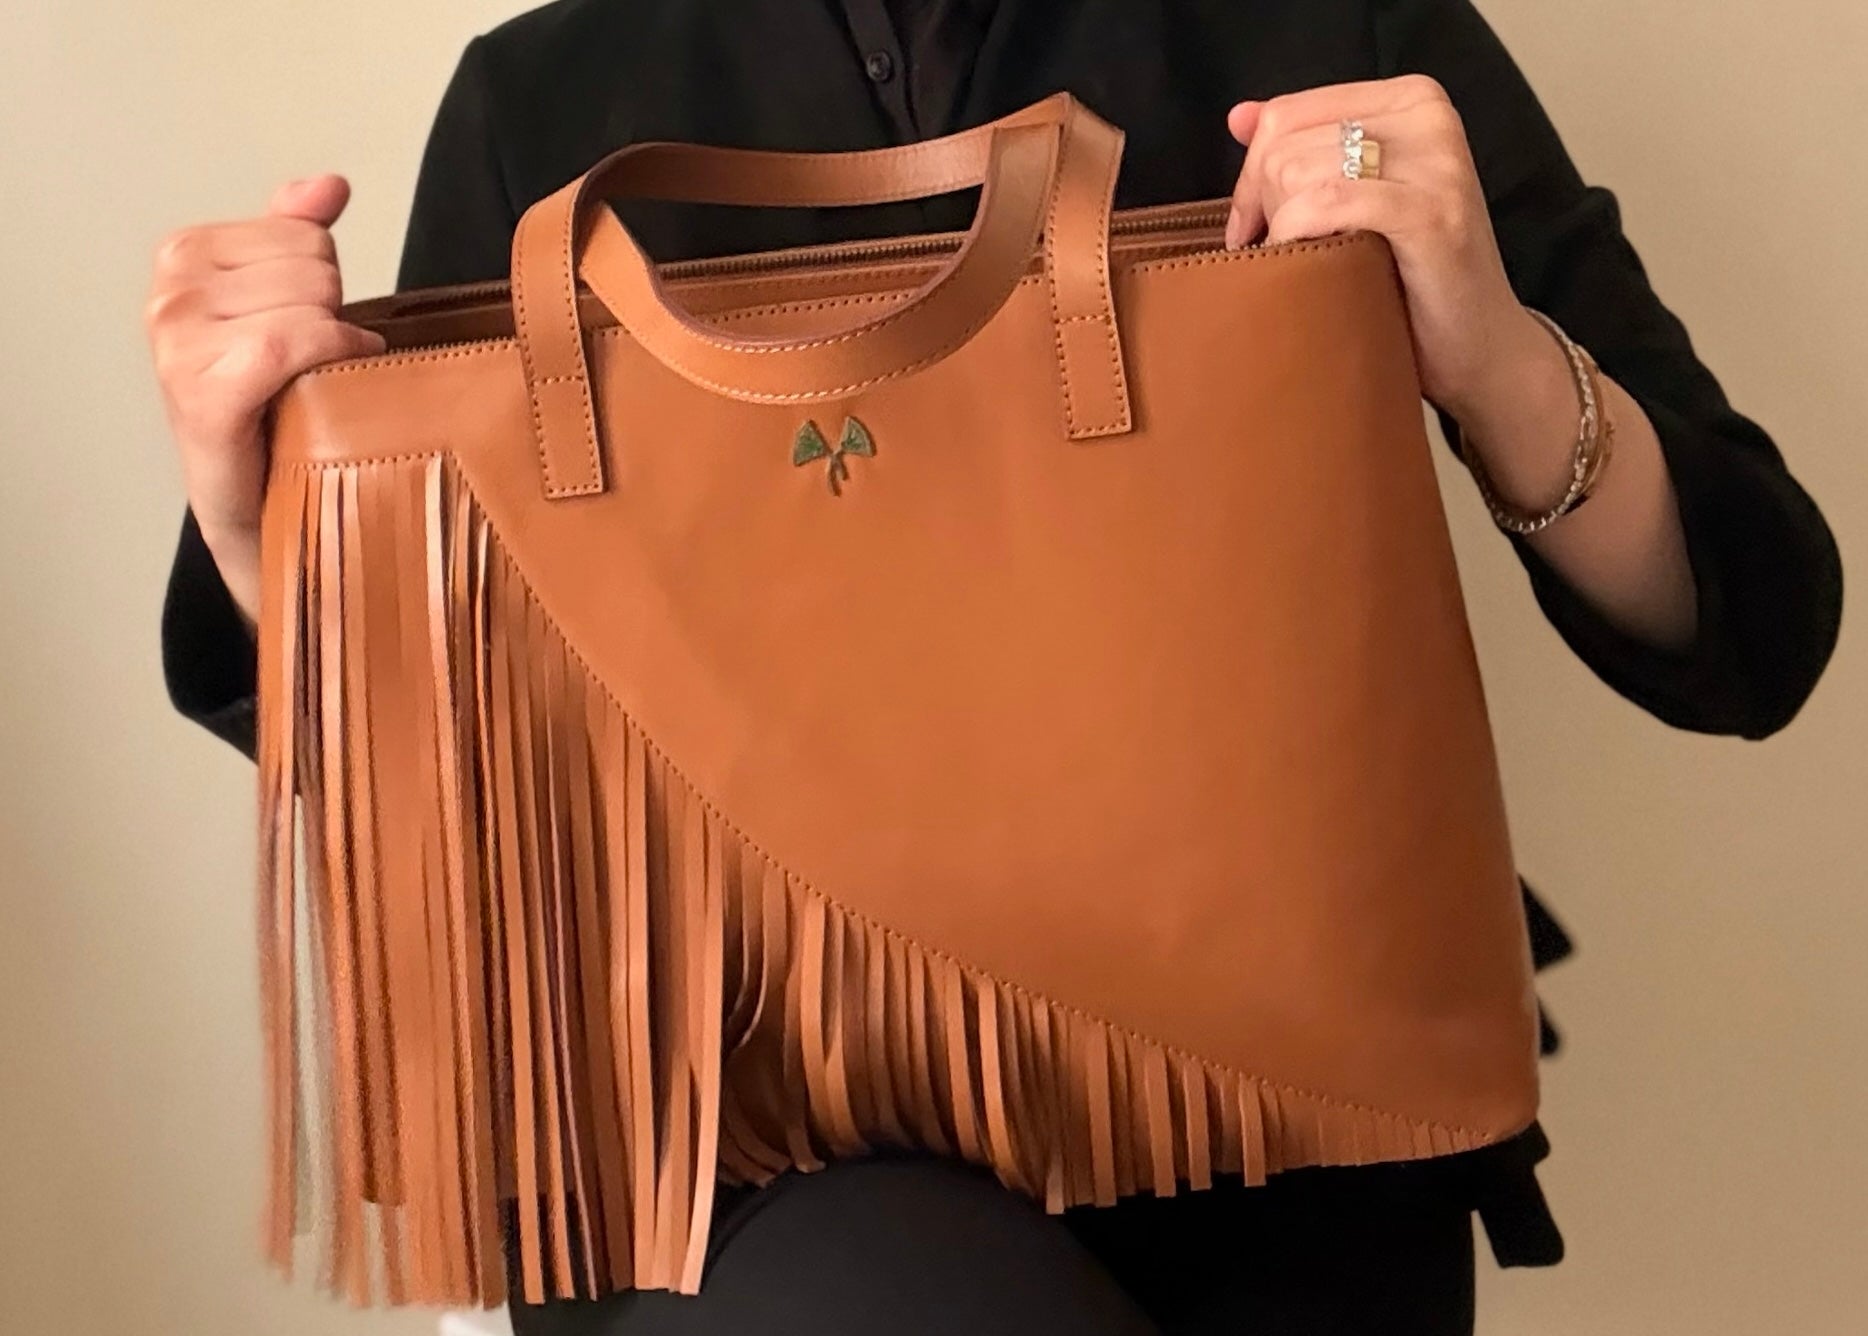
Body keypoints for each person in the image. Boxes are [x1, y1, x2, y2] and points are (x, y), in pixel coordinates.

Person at [143, 3, 1843, 1333]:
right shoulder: (546, 91)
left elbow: (1755, 625)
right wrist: (253, 515)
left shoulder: (1323, 28)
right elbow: (453, 755)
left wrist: (1498, 360)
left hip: (1270, 1120)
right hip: (723, 1144)